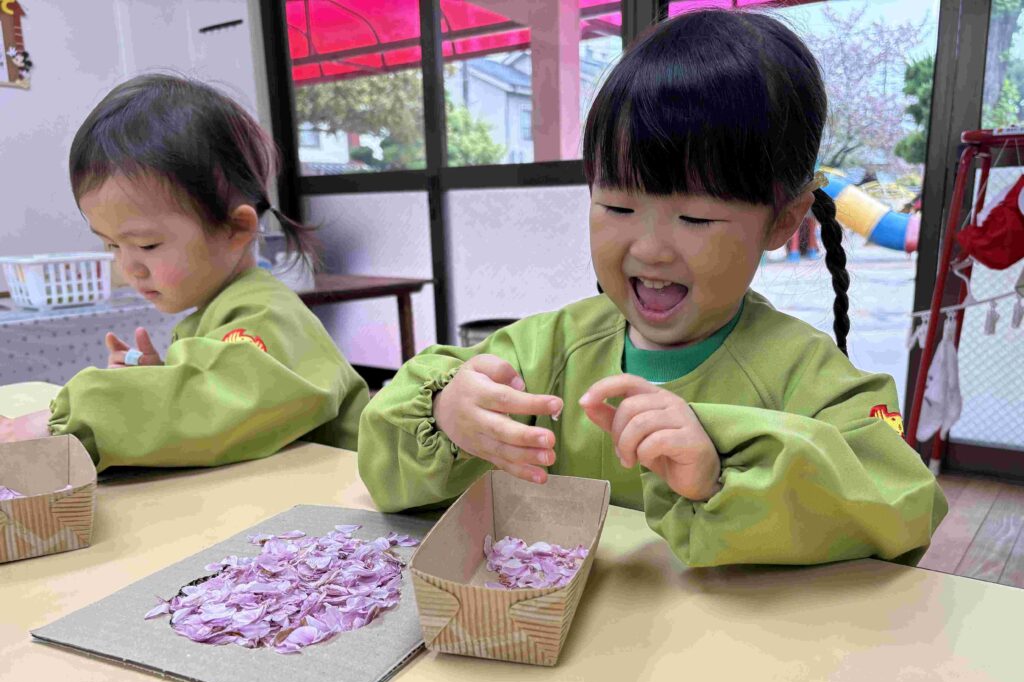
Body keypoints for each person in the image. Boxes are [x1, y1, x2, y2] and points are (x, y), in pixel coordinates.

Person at [357, 10, 947, 567]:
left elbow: (903, 504)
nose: (650, 249)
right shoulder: (544, 354)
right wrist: (450, 417)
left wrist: (722, 474)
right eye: (618, 206)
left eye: (695, 218)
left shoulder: (806, 377)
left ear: (783, 221)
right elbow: (385, 462)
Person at [0, 74, 369, 470]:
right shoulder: (218, 309)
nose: (129, 267)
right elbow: (218, 414)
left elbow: (220, 406)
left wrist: (72, 420)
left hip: (342, 498)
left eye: (147, 245)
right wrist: (158, 381)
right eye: (112, 245)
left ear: (235, 229)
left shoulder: (267, 314)